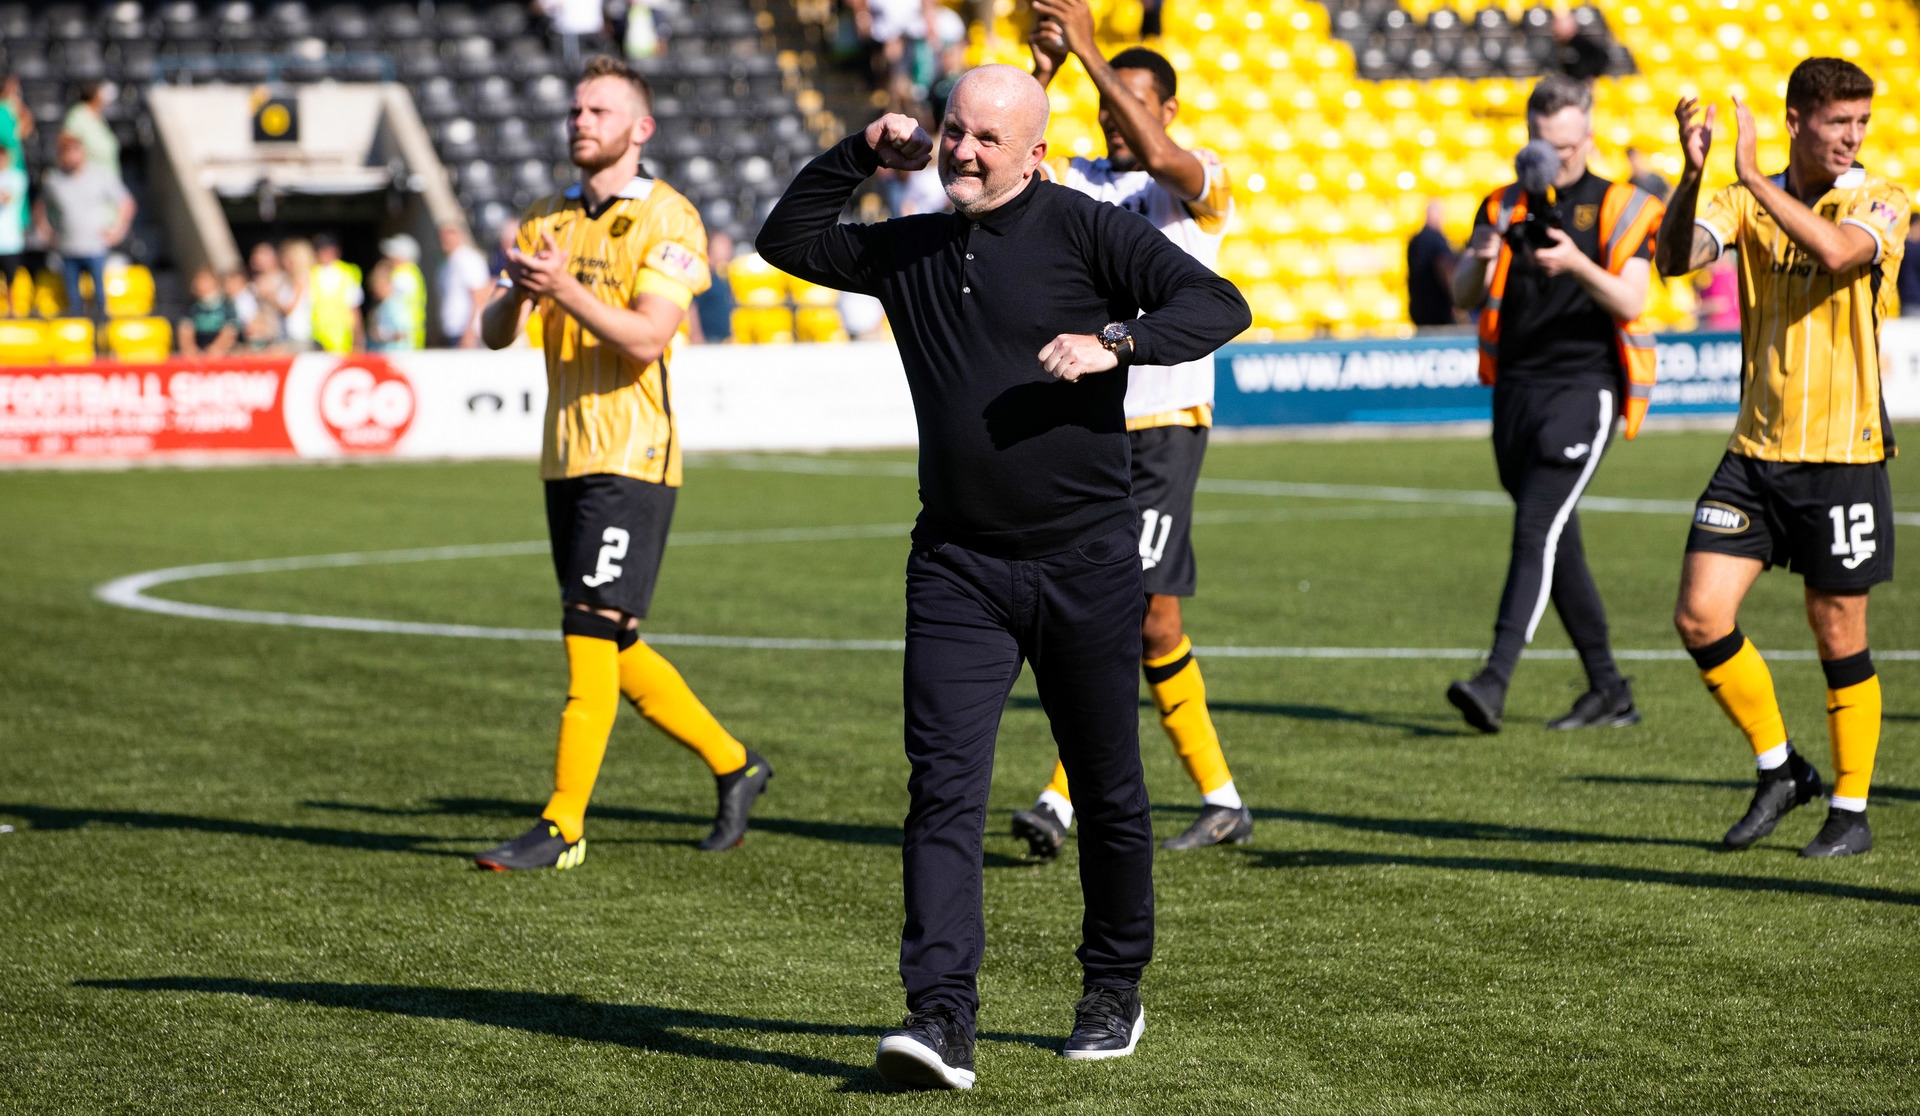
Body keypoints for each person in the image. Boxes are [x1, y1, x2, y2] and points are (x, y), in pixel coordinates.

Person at [759, 65, 1249, 1088]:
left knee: (1110, 788)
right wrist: (859, 152)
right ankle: (941, 1022)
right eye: (953, 133)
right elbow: (788, 241)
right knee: (940, 791)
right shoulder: (911, 244)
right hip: (957, 567)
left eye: (988, 138)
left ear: (1035, 150)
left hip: (1087, 561)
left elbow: (1217, 304)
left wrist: (1118, 341)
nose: (964, 153)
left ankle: (1113, 987)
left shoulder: (1084, 228)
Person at [476, 55, 770, 870]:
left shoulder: (669, 219)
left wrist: (563, 289)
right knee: (616, 639)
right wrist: (516, 292)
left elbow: (646, 338)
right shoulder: (547, 219)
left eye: (598, 112)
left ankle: (563, 823)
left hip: (633, 454)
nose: (580, 122)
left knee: (587, 629)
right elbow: (497, 334)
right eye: (575, 110)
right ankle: (736, 765)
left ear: (640, 129)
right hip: (566, 453)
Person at [1655, 58, 1906, 858]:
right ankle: (1781, 770)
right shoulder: (1740, 198)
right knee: (1699, 615)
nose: (1854, 138)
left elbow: (1837, 254)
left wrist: (1749, 178)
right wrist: (1693, 178)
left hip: (1843, 457)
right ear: (1796, 121)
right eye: (1840, 123)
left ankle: (1852, 809)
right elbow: (1674, 257)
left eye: (1862, 123)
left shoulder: (1881, 199)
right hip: (1755, 454)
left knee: (1838, 633)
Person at [1020, 4, 1251, 855]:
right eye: (1108, 105)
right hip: (1087, 429)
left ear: (1168, 110)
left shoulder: (1197, 180)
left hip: (1162, 425)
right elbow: (998, 175)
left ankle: (1058, 799)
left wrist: (1086, 46)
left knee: (1118, 615)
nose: (1116, 117)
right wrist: (1044, 70)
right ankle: (1223, 799)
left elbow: (1158, 153)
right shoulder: (1079, 180)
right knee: (1151, 626)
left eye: (1134, 102)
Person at [1445, 75, 1663, 734]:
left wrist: (1575, 263)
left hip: (1584, 386)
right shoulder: (1502, 203)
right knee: (1556, 539)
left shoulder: (1623, 204)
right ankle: (1608, 688)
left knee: (1536, 526)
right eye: (1544, 146)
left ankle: (1495, 678)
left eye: (1566, 148)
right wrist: (1482, 253)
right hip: (1514, 388)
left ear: (1588, 137)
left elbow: (1632, 301)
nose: (1555, 159)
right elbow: (1461, 295)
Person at [33, 132, 134, 321]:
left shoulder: (100, 176)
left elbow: (126, 202)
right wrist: (45, 231)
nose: (72, 156)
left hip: (95, 247)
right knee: (74, 300)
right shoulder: (54, 180)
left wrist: (118, 230)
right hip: (68, 249)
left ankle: (103, 339)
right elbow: (39, 207)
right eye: (66, 152)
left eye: (75, 151)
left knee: (100, 299)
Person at [436, 222, 492, 347]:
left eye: (451, 234)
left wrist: (470, 331)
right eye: (443, 235)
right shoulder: (446, 263)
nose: (446, 239)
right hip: (452, 330)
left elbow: (479, 296)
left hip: (465, 332)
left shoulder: (468, 259)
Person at [1407, 198, 1459, 327]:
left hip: (1418, 308)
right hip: (1438, 310)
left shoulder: (1414, 240)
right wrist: (1457, 299)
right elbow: (1445, 269)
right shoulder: (1436, 239)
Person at [308, 233, 364, 353]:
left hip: (342, 339)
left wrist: (358, 340)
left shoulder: (348, 273)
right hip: (315, 339)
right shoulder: (311, 272)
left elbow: (354, 309)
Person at [175, 266, 239, 356]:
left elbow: (230, 330)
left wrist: (216, 348)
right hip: (198, 351)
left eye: (204, 280)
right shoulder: (192, 305)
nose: (199, 283)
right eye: (198, 280)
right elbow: (185, 329)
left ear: (214, 282)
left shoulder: (226, 304)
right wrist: (190, 349)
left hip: (221, 353)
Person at [378, 233, 427, 348]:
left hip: (402, 337)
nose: (388, 257)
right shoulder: (411, 273)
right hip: (406, 334)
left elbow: (391, 300)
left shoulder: (402, 275)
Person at [62, 82, 119, 179]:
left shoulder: (99, 115)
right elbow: (67, 142)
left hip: (108, 178)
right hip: (89, 180)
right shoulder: (78, 114)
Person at [688, 229, 734, 342]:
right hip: (707, 339)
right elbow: (691, 307)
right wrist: (696, 336)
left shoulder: (722, 275)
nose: (729, 249)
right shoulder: (701, 273)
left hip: (723, 340)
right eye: (723, 244)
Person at [365, 260, 417, 351]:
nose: (375, 293)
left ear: (387, 284)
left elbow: (402, 333)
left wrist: (381, 335)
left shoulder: (396, 306)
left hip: (395, 356)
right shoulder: (380, 307)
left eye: (377, 287)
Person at [277, 238, 317, 350]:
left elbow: (289, 309)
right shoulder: (292, 279)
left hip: (299, 334)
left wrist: (271, 299)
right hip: (294, 334)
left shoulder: (301, 280)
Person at [0, 144, 26, 307]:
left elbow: (8, 198)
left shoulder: (16, 177)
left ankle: (13, 313)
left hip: (10, 242)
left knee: (11, 282)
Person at [0, 74, 35, 178]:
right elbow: (10, 137)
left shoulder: (16, 106)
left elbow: (26, 130)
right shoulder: (3, 110)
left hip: (15, 161)